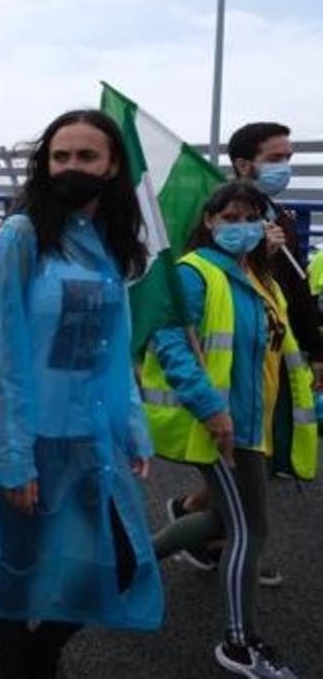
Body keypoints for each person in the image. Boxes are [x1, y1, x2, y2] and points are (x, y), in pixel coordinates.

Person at [0, 110, 163, 679]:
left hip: (87, 434)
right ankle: (15, 667)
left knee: (117, 562)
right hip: (24, 433)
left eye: (86, 157)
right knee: (17, 565)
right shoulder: (18, 240)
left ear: (113, 166)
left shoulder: (110, 245)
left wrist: (131, 424)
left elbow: (115, 353)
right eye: (60, 157)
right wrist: (13, 458)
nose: (71, 167)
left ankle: (36, 658)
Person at [144, 181, 313, 678]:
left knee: (224, 522)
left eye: (249, 218)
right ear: (210, 222)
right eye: (229, 217)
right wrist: (210, 408)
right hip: (224, 427)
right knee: (249, 528)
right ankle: (240, 644)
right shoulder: (195, 273)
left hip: (252, 424)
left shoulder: (260, 277)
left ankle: (131, 562)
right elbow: (171, 345)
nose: (239, 227)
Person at [164, 122, 319, 582]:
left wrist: (314, 349)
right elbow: (228, 280)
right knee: (246, 493)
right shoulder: (222, 218)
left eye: (290, 157)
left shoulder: (282, 217)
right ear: (244, 164)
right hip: (231, 377)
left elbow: (291, 293)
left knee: (251, 476)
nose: (285, 166)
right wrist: (261, 253)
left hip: (272, 362)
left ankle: (209, 532)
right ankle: (229, 556)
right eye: (276, 158)